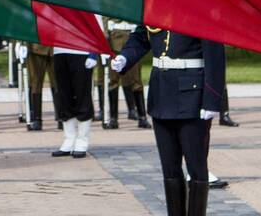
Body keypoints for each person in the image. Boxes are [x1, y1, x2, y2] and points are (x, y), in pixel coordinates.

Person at [112, 27, 225, 216]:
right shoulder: (156, 8)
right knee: (170, 169)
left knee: (196, 168)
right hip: (162, 92)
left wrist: (212, 99)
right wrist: (125, 57)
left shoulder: (199, 5)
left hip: (192, 95)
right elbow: (141, 37)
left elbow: (214, 54)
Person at [51, 41, 99, 158]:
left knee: (82, 96)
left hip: (81, 51)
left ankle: (82, 141)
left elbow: (96, 29)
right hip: (60, 51)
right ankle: (69, 139)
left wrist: (93, 54)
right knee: (64, 97)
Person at [105, 16, 150, 129]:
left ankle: (142, 117)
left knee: (136, 80)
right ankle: (113, 118)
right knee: (113, 80)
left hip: (133, 35)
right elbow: (105, 17)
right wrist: (105, 37)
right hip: (114, 37)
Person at [20, 41, 55, 131]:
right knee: (36, 82)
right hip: (36, 45)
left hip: (56, 45)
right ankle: (37, 118)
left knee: (58, 82)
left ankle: (61, 117)